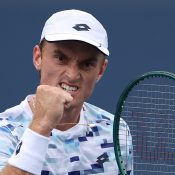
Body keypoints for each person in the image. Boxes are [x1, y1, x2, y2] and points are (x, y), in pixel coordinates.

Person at [0, 9, 133, 175]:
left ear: (101, 70)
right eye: (61, 58)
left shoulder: (116, 132)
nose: (72, 75)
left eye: (86, 64)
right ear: (38, 58)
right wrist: (42, 125)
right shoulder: (4, 131)